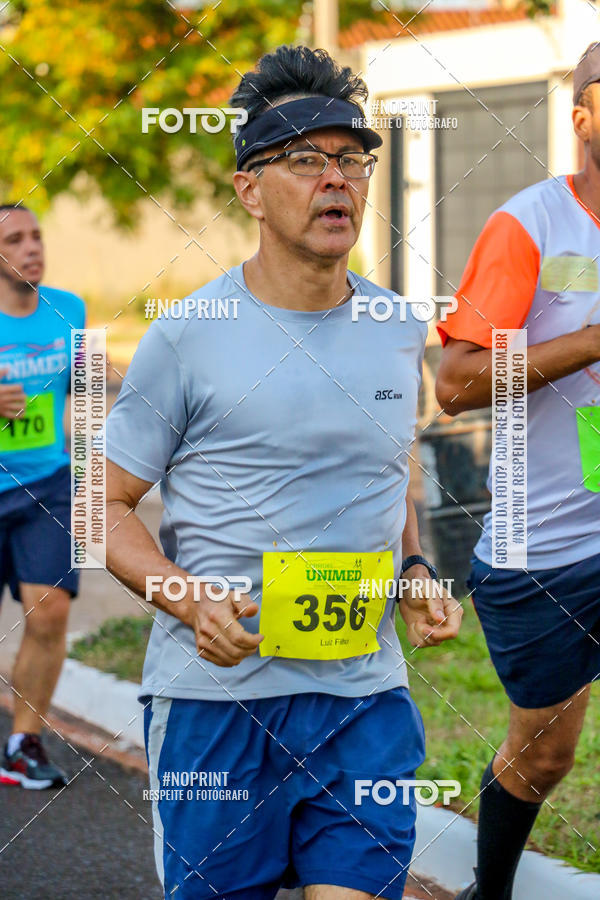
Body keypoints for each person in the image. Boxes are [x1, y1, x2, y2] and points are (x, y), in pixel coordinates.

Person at [105, 45, 462, 900]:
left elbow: (390, 466)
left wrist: (412, 567)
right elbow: (103, 505)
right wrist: (186, 599)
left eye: (352, 160)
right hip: (216, 709)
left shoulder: (396, 326)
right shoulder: (189, 337)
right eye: (305, 160)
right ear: (250, 189)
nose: (335, 179)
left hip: (361, 699)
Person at [436, 43, 600, 900]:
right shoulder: (529, 224)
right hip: (548, 548)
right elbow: (457, 382)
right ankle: (488, 892)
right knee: (546, 754)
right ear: (582, 119)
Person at [0, 204, 85, 789]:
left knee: (50, 610)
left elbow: (89, 391)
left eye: (37, 235)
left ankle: (22, 744)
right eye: (15, 239)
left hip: (48, 485)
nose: (32, 247)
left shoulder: (69, 309)